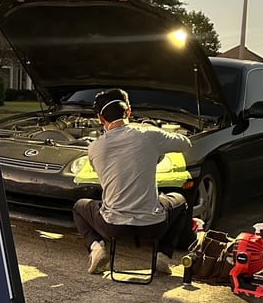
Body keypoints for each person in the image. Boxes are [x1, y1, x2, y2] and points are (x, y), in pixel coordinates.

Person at [72, 88, 193, 275]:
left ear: (100, 118)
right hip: (153, 226)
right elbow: (186, 144)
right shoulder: (149, 135)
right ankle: (163, 256)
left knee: (80, 206)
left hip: (112, 227)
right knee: (179, 200)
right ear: (128, 111)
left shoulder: (94, 147)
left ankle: (97, 249)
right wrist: (155, 138)